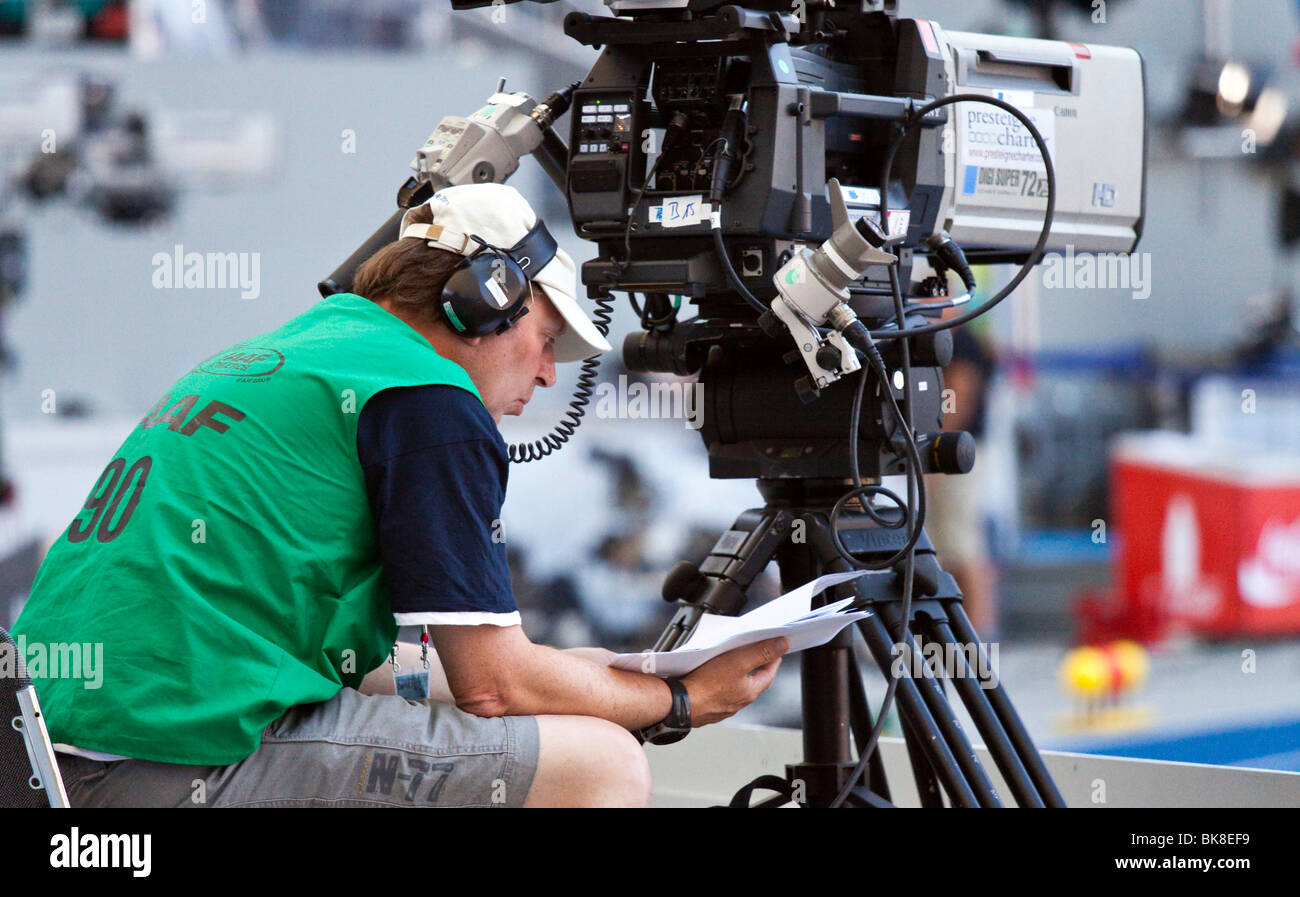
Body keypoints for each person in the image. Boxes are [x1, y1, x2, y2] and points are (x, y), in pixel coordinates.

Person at [12, 182, 787, 807]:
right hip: (156, 765)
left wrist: (618, 675)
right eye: (546, 339)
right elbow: (494, 684)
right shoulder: (428, 399)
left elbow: (417, 669)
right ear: (483, 301)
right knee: (603, 767)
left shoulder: (299, 352)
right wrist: (679, 705)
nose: (550, 374)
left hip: (46, 759)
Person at [923, 313, 999, 637]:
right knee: (946, 547)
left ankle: (979, 634)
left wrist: (937, 455)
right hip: (956, 451)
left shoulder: (960, 341)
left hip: (957, 454)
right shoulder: (960, 339)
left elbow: (958, 396)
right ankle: (963, 634)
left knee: (963, 546)